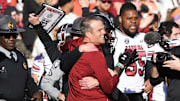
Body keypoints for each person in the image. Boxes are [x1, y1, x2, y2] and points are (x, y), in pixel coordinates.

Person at [113, 3, 153, 101]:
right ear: (120, 19)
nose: (133, 21)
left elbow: (150, 62)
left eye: (136, 18)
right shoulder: (113, 37)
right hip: (119, 92)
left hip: (139, 93)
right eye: (129, 18)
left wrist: (151, 80)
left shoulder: (144, 38)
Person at [0, 14, 42, 100]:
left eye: (14, 35)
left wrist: (36, 91)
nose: (12, 39)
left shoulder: (20, 57)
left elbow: (27, 80)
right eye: (7, 36)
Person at [150, 20, 180, 101]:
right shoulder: (162, 52)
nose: (178, 37)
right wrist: (156, 64)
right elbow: (154, 80)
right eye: (176, 34)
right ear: (165, 37)